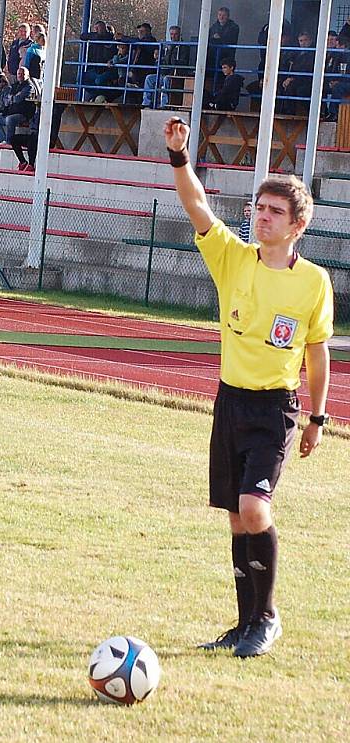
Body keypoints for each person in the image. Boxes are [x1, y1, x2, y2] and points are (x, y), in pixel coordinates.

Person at [164, 116, 333, 659]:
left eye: (274, 211)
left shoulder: (313, 282)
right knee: (238, 519)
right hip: (230, 401)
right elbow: (197, 208)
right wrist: (179, 156)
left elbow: (317, 349)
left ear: (297, 225)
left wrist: (318, 417)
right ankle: (244, 625)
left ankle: (267, 618)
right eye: (258, 208)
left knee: (255, 508)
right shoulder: (233, 259)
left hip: (274, 409)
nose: (262, 217)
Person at [142, 25, 191, 109]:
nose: (173, 36)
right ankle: (146, 102)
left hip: (176, 75)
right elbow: (164, 61)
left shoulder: (184, 47)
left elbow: (183, 62)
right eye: (171, 34)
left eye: (175, 34)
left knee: (166, 79)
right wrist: (159, 59)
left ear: (180, 35)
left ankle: (164, 104)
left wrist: (172, 58)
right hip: (165, 73)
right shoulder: (167, 46)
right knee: (149, 78)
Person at [0, 65, 35, 144]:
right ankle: (2, 139)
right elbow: (6, 99)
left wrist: (12, 98)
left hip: (22, 114)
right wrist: (13, 98)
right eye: (18, 74)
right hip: (10, 111)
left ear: (27, 75)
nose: (20, 75)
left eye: (22, 74)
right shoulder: (14, 86)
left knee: (10, 119)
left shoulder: (29, 87)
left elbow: (18, 99)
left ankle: (9, 143)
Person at [277, 31, 315, 115]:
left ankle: (290, 112)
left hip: (307, 80)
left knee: (294, 88)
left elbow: (307, 69)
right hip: (295, 79)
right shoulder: (296, 54)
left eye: (305, 40)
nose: (303, 43)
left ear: (310, 41)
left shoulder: (314, 54)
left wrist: (292, 79)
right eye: (301, 41)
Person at [79, 19, 116, 100]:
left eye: (98, 28)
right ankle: (96, 96)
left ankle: (102, 97)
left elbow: (105, 38)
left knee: (98, 81)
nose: (96, 30)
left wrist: (95, 36)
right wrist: (95, 35)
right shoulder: (95, 36)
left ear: (104, 27)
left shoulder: (110, 38)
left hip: (107, 69)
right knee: (82, 78)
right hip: (95, 68)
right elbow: (82, 36)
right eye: (95, 28)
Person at [206, 6, 240, 80]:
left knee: (223, 79)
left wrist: (219, 38)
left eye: (224, 15)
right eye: (219, 15)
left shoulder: (234, 27)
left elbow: (231, 40)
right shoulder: (213, 27)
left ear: (228, 16)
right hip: (213, 58)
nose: (221, 17)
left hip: (226, 57)